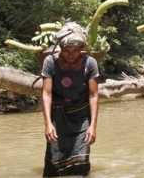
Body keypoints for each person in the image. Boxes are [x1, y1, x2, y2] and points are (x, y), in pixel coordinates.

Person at [41, 22, 100, 177]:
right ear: (60, 48)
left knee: (81, 161)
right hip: (58, 116)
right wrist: (48, 124)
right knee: (55, 162)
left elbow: (93, 96)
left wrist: (92, 126)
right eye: (66, 51)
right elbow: (46, 94)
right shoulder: (50, 62)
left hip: (81, 117)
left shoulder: (90, 63)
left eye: (75, 50)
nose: (71, 55)